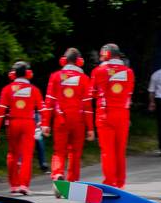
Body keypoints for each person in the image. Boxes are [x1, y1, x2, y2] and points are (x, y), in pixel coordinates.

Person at [0, 61, 45, 195]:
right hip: (28, 124)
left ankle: (14, 185)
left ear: (12, 74)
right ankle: (24, 185)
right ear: (28, 74)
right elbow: (42, 110)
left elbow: (0, 111)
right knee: (27, 155)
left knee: (12, 154)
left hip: (13, 123)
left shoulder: (7, 89)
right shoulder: (34, 90)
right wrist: (44, 125)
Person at [43, 47, 94, 184]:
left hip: (60, 120)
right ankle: (73, 181)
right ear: (79, 61)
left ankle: (57, 174)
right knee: (75, 153)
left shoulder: (55, 76)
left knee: (59, 151)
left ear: (64, 60)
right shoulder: (84, 79)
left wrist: (45, 123)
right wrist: (90, 128)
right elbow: (88, 106)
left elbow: (49, 101)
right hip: (78, 121)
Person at [90, 43, 135, 188]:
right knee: (120, 150)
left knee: (107, 151)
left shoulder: (98, 71)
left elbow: (92, 92)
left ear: (106, 54)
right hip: (123, 113)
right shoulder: (129, 72)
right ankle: (121, 183)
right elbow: (129, 93)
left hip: (105, 113)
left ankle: (110, 182)